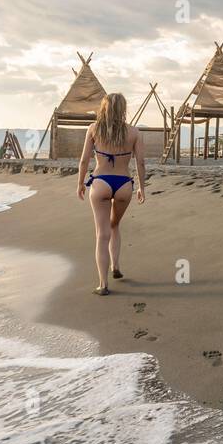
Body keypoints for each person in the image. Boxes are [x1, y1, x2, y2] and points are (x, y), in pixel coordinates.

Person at [77, 92, 145, 294]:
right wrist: (142, 187)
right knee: (115, 224)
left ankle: (103, 285)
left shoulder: (94, 129)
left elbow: (84, 160)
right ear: (123, 109)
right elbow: (140, 162)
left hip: (101, 183)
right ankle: (115, 267)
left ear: (104, 108)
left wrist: (80, 183)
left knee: (102, 234)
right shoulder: (134, 132)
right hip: (124, 184)